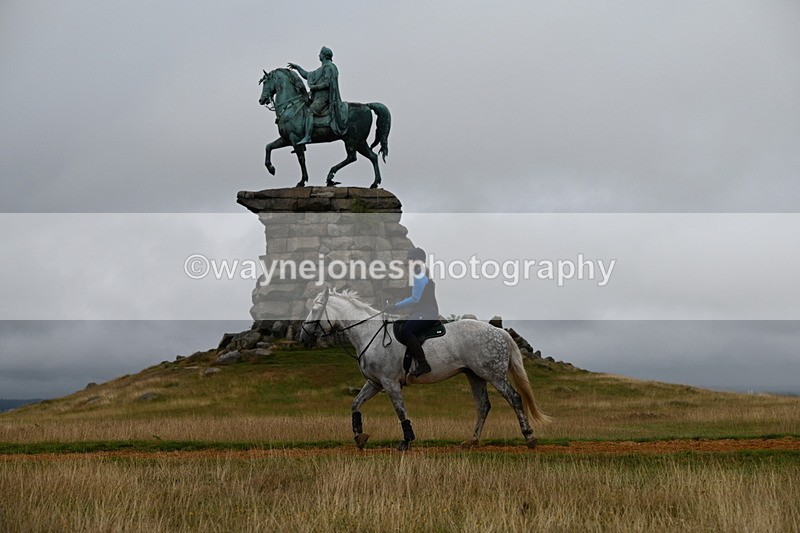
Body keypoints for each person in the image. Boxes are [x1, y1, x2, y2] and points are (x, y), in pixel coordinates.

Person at [390, 247, 439, 377]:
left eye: (410, 260)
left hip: (427, 312)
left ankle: (423, 364)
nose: (408, 263)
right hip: (423, 311)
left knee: (407, 330)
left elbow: (415, 299)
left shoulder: (419, 274)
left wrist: (396, 306)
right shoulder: (419, 274)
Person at [287, 46, 348, 144]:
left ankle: (307, 137)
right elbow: (307, 75)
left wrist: (315, 87)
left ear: (324, 55)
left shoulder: (329, 67)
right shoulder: (321, 69)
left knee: (309, 111)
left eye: (320, 53)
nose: (318, 55)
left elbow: (327, 83)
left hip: (324, 99)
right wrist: (297, 68)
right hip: (317, 98)